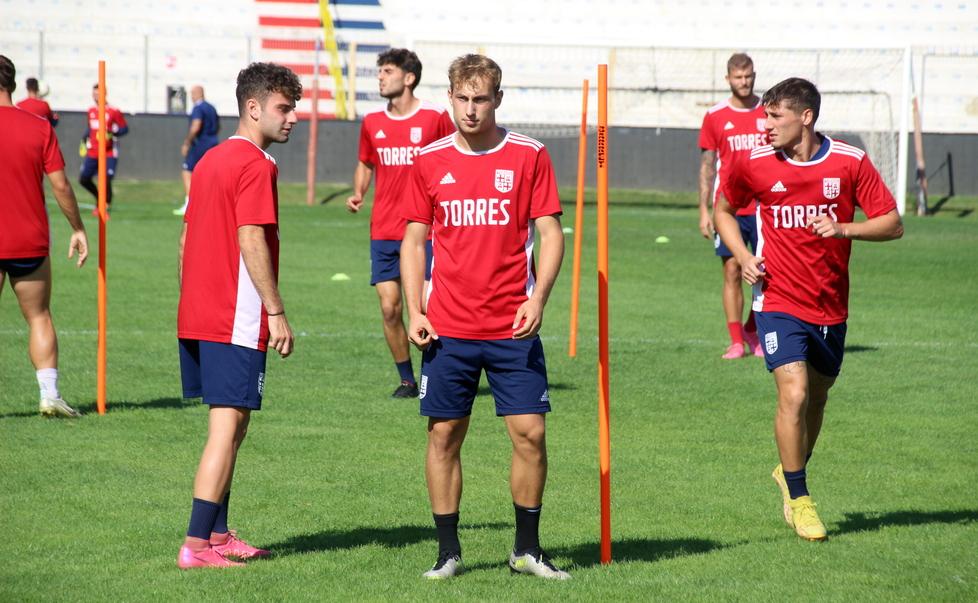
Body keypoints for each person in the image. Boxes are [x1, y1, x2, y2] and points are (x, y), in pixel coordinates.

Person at [402, 53, 569, 580]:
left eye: (481, 99)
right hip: (447, 327)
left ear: (498, 99)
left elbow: (550, 234)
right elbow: (412, 239)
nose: (471, 110)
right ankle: (448, 552)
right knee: (444, 435)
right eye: (463, 99)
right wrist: (414, 309)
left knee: (530, 433)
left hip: (511, 325)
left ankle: (526, 550)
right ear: (449, 97)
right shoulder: (428, 160)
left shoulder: (529, 155)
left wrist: (538, 297)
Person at [716, 77, 903, 542]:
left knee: (817, 397)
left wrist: (843, 230)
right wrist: (743, 256)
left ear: (806, 117)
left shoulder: (848, 161)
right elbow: (722, 209)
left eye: (775, 116)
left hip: (831, 305)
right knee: (794, 393)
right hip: (776, 300)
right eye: (764, 115)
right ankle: (801, 500)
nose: (765, 124)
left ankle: (788, 471)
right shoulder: (753, 161)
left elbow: (893, 224)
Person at [175, 62, 300, 569]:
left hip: (199, 313)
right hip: (235, 316)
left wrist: (195, 298)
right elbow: (251, 236)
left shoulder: (209, 159)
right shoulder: (256, 164)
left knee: (234, 424)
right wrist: (276, 310)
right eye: (283, 108)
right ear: (254, 108)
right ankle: (197, 545)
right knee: (226, 428)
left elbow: (185, 238)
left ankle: (220, 533)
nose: (293, 118)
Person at [347, 48, 455, 399]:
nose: (380, 76)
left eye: (387, 70)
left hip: (425, 230)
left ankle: (434, 376)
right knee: (390, 307)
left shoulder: (435, 118)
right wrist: (359, 192)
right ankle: (407, 379)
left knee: (424, 306)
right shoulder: (372, 123)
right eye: (379, 71)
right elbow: (366, 162)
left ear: (408, 78)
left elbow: (456, 155)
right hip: (383, 230)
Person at [0, 55, 88, 418]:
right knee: (38, 316)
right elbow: (61, 186)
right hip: (28, 239)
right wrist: (78, 228)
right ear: (13, 84)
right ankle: (49, 395)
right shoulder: (38, 127)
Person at [698, 53, 768, 359]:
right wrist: (703, 210)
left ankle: (754, 330)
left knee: (766, 270)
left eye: (749, 76)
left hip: (766, 205)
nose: (744, 82)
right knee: (731, 269)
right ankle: (737, 340)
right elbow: (707, 165)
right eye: (738, 77)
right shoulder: (715, 116)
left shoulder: (769, 111)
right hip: (728, 208)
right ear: (728, 79)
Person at [79, 83, 128, 215]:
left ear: (104, 93)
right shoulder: (91, 111)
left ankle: (105, 204)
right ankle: (99, 198)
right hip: (93, 151)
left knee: (106, 177)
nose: (95, 96)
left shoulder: (113, 111)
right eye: (94, 93)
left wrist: (112, 132)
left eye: (98, 93)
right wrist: (83, 140)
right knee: (84, 179)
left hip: (109, 151)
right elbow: (90, 128)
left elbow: (124, 128)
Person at [174, 85, 220, 216]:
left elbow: (196, 126)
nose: (191, 97)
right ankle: (210, 204)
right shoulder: (211, 108)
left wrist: (187, 142)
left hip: (200, 144)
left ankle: (189, 204)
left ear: (197, 94)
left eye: (192, 94)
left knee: (187, 171)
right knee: (209, 174)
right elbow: (218, 126)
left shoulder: (198, 108)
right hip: (212, 143)